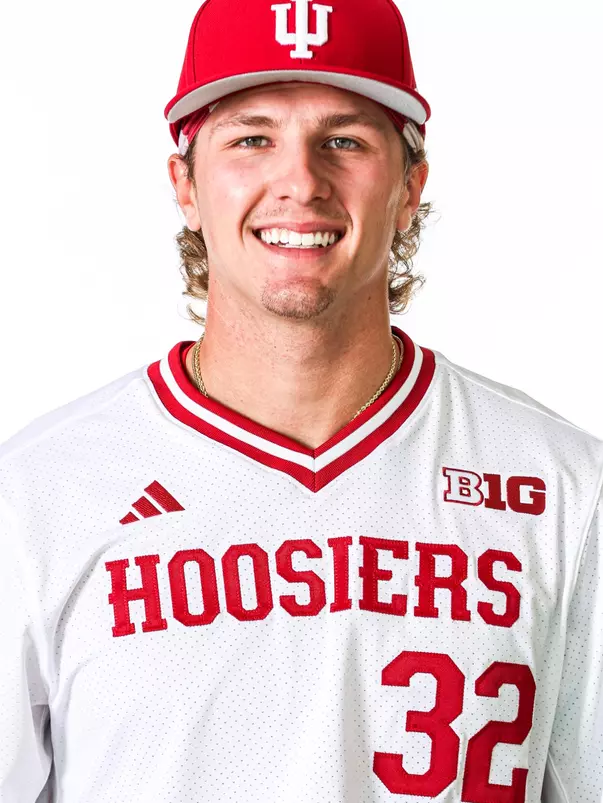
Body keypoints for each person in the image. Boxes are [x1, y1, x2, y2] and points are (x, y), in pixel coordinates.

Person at [1, 0, 601, 800]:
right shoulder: (39, 493)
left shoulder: (560, 487)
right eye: (252, 138)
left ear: (410, 182)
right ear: (184, 182)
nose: (299, 182)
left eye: (343, 141)